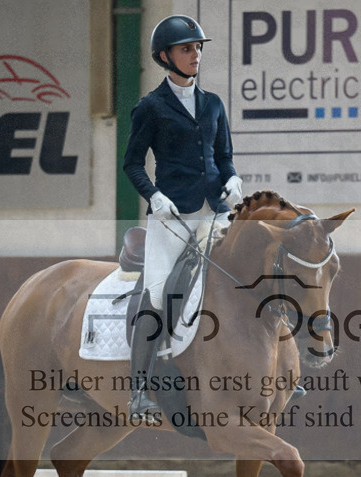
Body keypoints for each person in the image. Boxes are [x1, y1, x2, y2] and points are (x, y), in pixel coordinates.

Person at [123, 14, 243, 423]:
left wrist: (233, 179)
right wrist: (154, 196)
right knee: (157, 293)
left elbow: (224, 156)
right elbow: (132, 163)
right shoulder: (150, 107)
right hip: (172, 215)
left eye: (198, 48)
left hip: (215, 211)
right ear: (164, 56)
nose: (196, 55)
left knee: (251, 273)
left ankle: (276, 369)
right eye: (186, 49)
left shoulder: (213, 104)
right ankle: (139, 391)